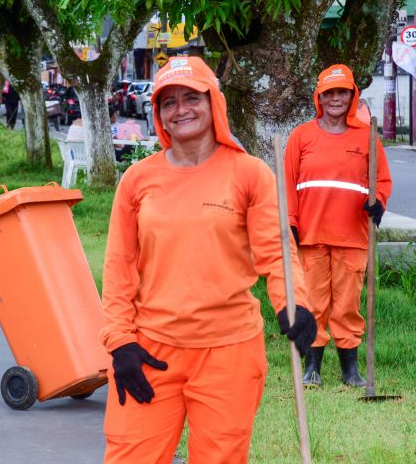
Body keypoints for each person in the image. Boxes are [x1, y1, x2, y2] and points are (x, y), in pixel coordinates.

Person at [100, 56, 315, 464]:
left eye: (191, 98)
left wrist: (294, 302)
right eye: (169, 102)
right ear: (158, 114)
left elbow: (276, 250)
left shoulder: (249, 173)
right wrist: (120, 342)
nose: (181, 110)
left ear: (212, 102)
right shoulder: (138, 180)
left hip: (229, 352)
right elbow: (119, 267)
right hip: (149, 349)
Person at [284, 64, 392, 388]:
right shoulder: (301, 136)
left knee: (347, 304)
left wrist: (379, 202)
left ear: (352, 95)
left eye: (342, 92)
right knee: (314, 303)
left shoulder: (367, 135)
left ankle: (351, 371)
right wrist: (289, 223)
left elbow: (382, 180)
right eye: (329, 93)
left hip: (353, 235)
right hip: (311, 236)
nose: (335, 99)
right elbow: (287, 185)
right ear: (319, 96)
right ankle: (312, 368)